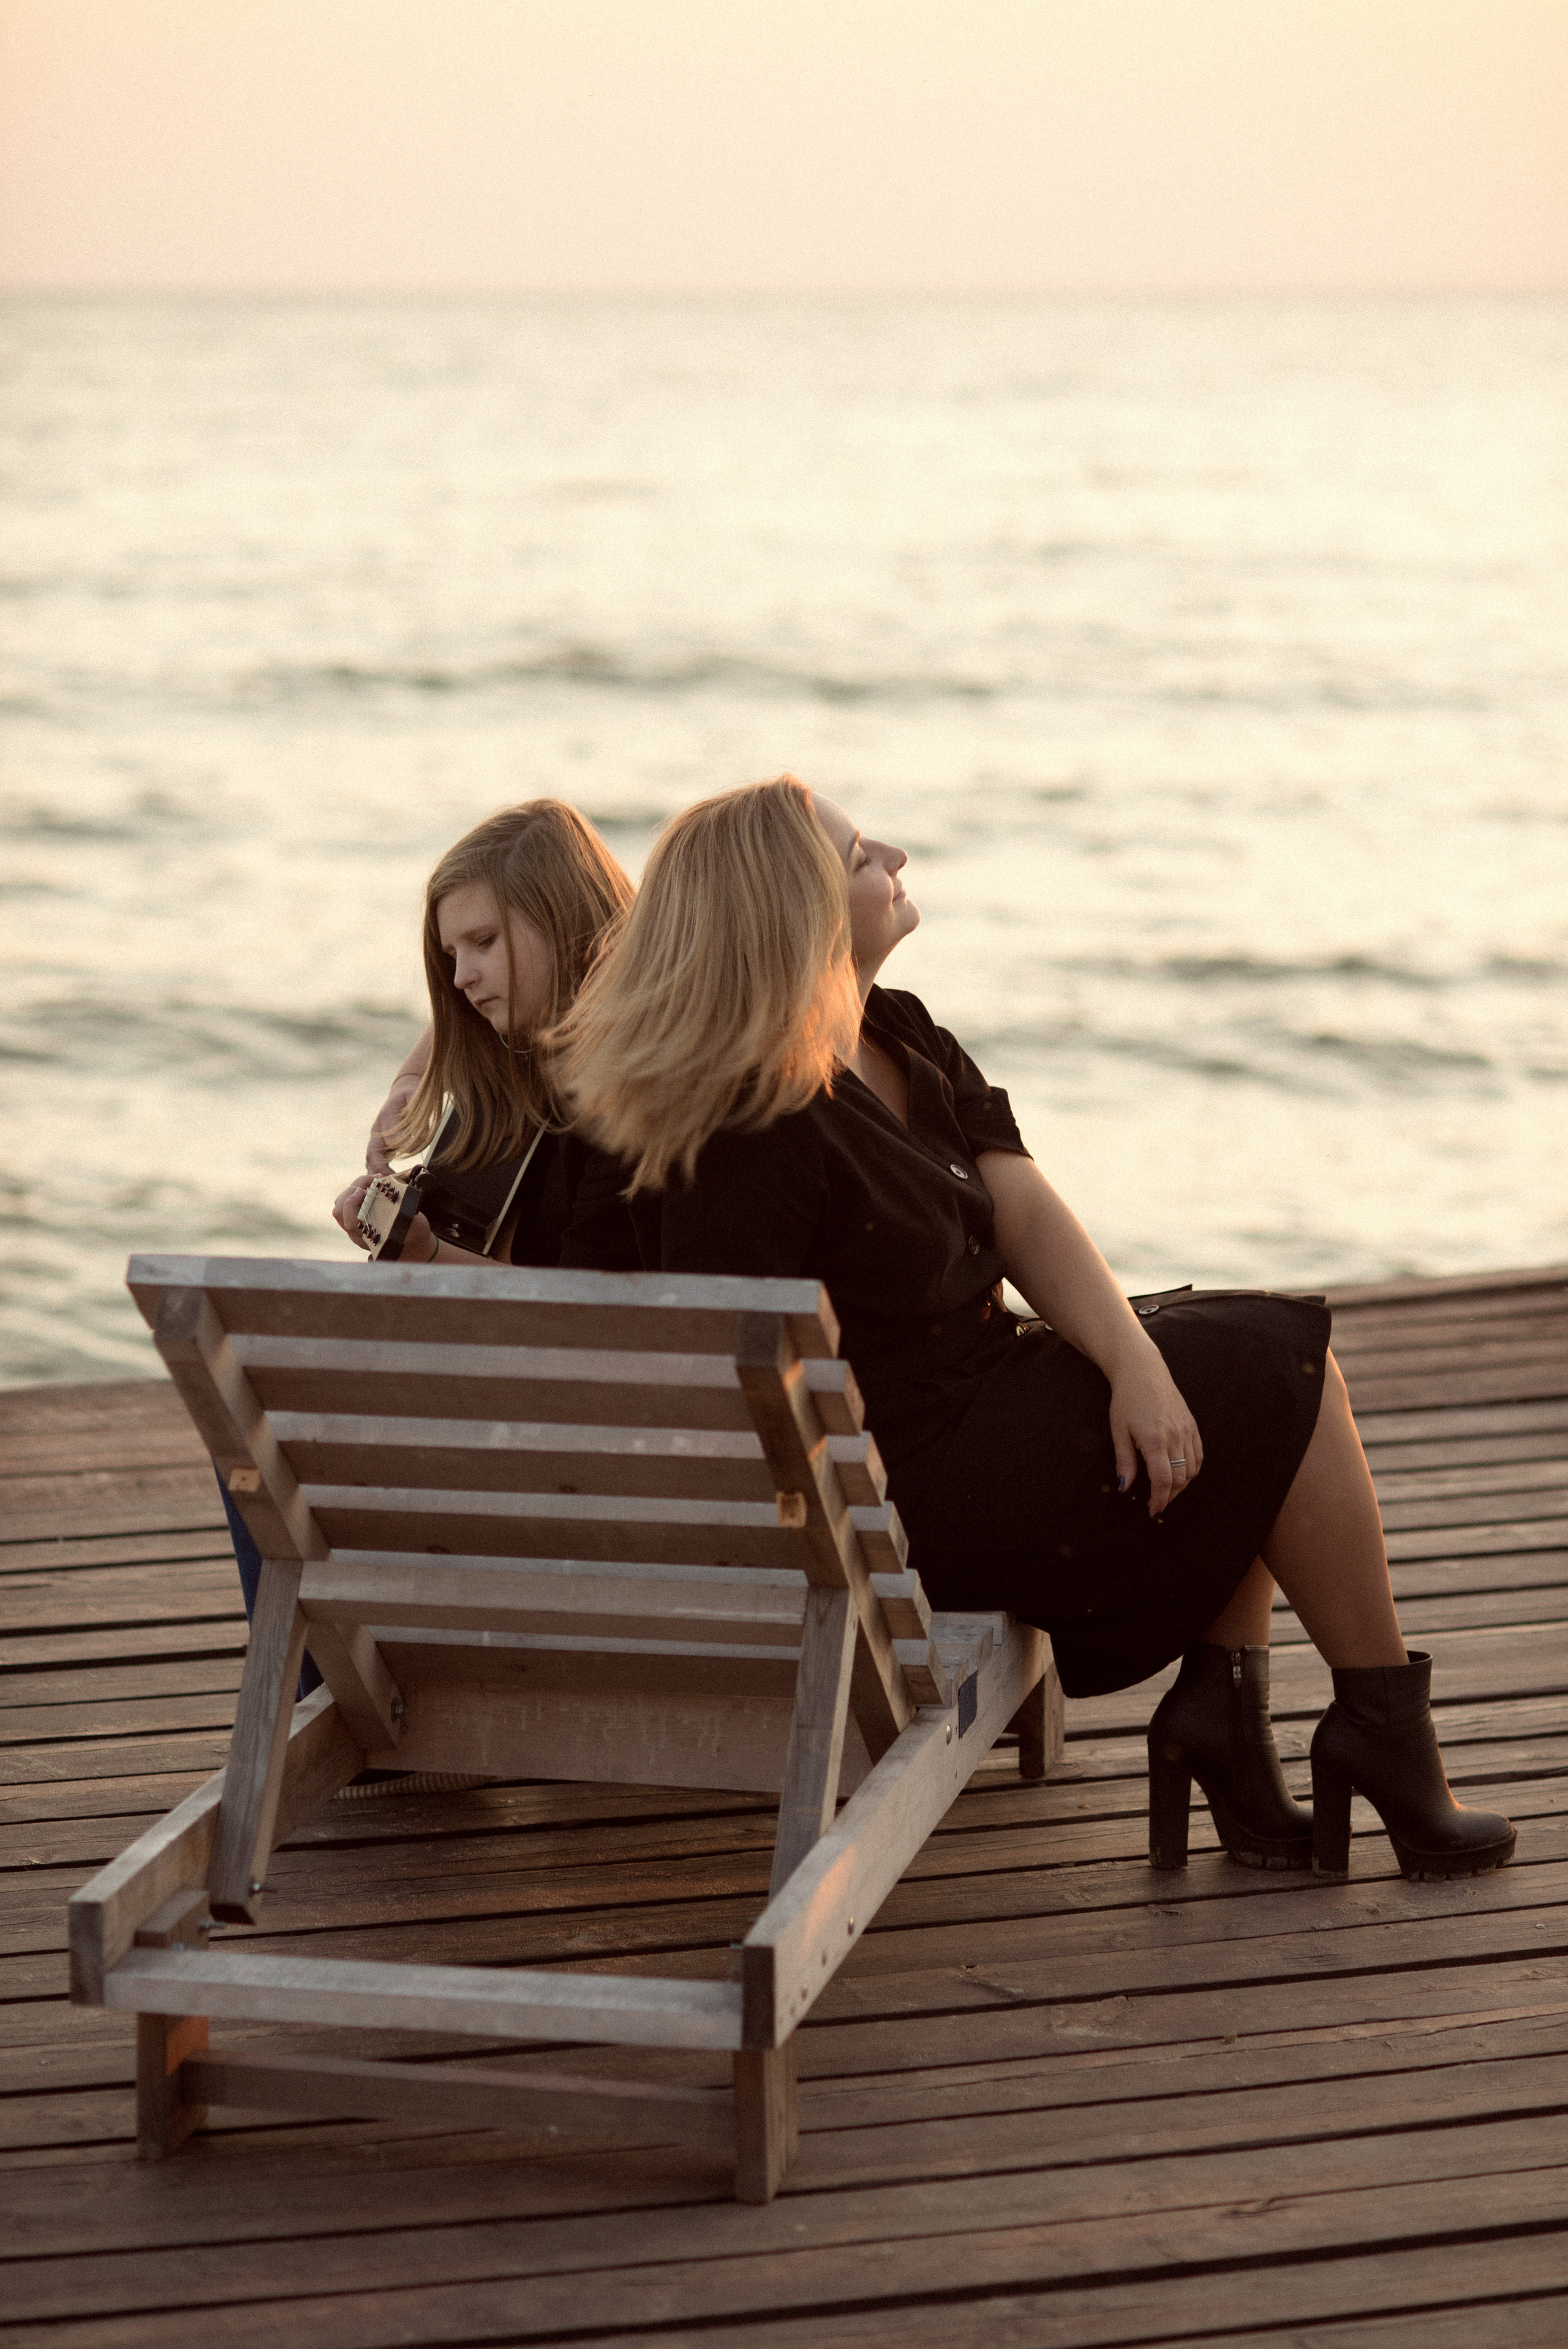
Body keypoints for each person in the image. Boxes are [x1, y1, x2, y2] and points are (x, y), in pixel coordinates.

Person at [554, 776, 1515, 1885]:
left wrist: (1134, 1361)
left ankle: (1232, 1712)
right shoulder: (749, 1124)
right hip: (902, 1479)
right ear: (800, 910)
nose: (897, 856)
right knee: (1278, 1364)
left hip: (980, 1393)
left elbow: (1022, 1207)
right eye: (865, 854)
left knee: (1224, 1347)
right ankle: (1365, 1732)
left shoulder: (900, 1035)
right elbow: (733, 1379)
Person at [221, 798, 638, 1701]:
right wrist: (416, 1077)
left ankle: (342, 1712)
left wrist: (425, 1260)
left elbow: (589, 1325)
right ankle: (350, 1702)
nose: (462, 978)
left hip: (590, 1456)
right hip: (574, 1431)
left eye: (483, 943)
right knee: (285, 1398)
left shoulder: (623, 1108)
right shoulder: (553, 1050)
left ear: (564, 922)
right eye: (450, 957)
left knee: (267, 1412)